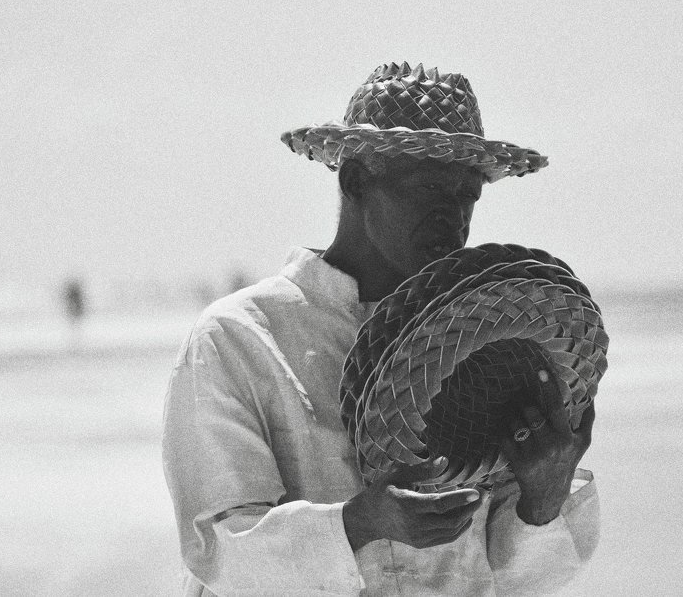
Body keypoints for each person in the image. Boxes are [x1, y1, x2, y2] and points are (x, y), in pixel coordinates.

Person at [162, 62, 599, 595]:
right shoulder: (239, 339)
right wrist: (358, 524)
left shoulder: (485, 350)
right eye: (428, 186)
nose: (452, 214)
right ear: (355, 181)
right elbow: (217, 549)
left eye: (467, 194)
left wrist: (544, 495)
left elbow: (512, 579)